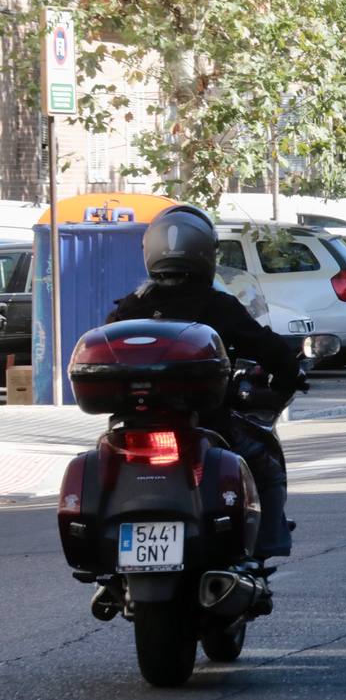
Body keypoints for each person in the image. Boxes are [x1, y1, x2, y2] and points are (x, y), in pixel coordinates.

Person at [107, 205, 304, 557]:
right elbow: (267, 347)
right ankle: (266, 545)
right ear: (205, 253)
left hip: (130, 427)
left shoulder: (129, 307)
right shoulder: (218, 306)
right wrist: (291, 372)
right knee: (265, 468)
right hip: (207, 422)